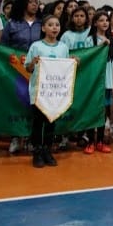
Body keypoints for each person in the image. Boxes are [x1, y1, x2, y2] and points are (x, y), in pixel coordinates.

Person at [25, 15, 70, 168]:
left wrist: (74, 62)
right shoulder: (36, 46)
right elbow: (28, 68)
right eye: (50, 25)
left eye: (57, 24)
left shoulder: (63, 47)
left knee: (51, 123)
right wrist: (33, 62)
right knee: (38, 123)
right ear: (43, 28)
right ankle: (37, 151)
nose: (54, 27)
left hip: (55, 93)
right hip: (39, 92)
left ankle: (47, 150)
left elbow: (66, 68)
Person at [1, 0, 43, 154]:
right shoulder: (12, 24)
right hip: (18, 71)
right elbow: (3, 47)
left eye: (36, 1)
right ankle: (16, 137)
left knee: (36, 105)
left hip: (38, 72)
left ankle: (33, 140)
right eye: (31, 1)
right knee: (18, 102)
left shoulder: (42, 23)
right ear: (23, 3)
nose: (34, 4)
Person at [84, 11, 113, 154]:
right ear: (95, 23)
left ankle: (100, 141)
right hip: (94, 82)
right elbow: (87, 58)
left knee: (103, 112)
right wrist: (101, 46)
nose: (105, 23)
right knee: (93, 111)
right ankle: (90, 141)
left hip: (107, 82)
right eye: (101, 20)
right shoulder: (90, 40)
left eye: (107, 20)